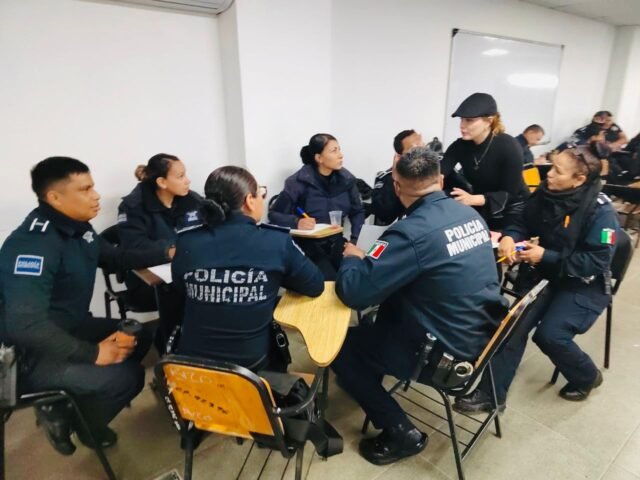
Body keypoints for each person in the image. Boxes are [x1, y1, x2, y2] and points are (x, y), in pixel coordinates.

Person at [331, 147, 508, 466]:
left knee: (340, 347)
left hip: (443, 354)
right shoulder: (470, 216)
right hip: (480, 335)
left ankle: (401, 432)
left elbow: (355, 294)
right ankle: (367, 378)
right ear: (440, 181)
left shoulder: (409, 232)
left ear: (397, 186)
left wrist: (353, 259)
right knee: (371, 328)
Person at [0, 157, 170, 456]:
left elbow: (116, 258)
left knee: (139, 335)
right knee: (128, 377)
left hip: (68, 325)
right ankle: (76, 421)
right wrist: (94, 354)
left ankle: (74, 399)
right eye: (85, 189)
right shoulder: (33, 246)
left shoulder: (80, 229)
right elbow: (24, 326)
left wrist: (168, 252)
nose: (96, 195)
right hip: (29, 354)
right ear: (55, 197)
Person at [454, 145, 619, 415]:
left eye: (558, 171)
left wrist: (545, 256)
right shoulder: (547, 193)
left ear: (579, 179)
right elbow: (521, 219)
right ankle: (491, 395)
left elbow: (596, 260)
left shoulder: (600, 211)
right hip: (547, 275)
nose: (549, 174)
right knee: (512, 328)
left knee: (550, 335)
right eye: (551, 166)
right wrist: (510, 236)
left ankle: (588, 376)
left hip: (584, 282)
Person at [172, 166, 325, 371]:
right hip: (249, 371)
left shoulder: (187, 241)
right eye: (261, 193)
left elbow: (181, 290)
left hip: (190, 369)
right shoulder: (275, 242)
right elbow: (315, 285)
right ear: (249, 200)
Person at [117, 153, 202, 352]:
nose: (187, 181)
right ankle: (170, 349)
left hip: (185, 270)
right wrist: (170, 250)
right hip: (146, 283)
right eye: (180, 176)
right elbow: (133, 248)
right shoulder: (133, 206)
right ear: (162, 182)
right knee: (177, 292)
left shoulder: (191, 199)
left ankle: (197, 344)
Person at [269, 133, 365, 279]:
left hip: (336, 242)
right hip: (307, 246)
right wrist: (297, 222)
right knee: (329, 279)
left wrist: (354, 241)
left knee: (356, 275)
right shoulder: (298, 182)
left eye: (339, 149)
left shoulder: (347, 180)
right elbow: (274, 215)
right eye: (334, 151)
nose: (341, 155)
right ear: (319, 158)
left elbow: (357, 211)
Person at [441, 92, 529, 231]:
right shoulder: (460, 146)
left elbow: (510, 194)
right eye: (462, 119)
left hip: (514, 211)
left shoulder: (509, 146)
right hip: (482, 205)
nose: (462, 125)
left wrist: (472, 199)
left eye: (469, 120)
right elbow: (439, 173)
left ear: (489, 121)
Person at [371, 129, 424, 225]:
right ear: (400, 157)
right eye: (415, 149)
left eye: (422, 146)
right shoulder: (387, 178)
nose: (422, 152)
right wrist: (396, 179)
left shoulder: (438, 171)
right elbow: (384, 215)